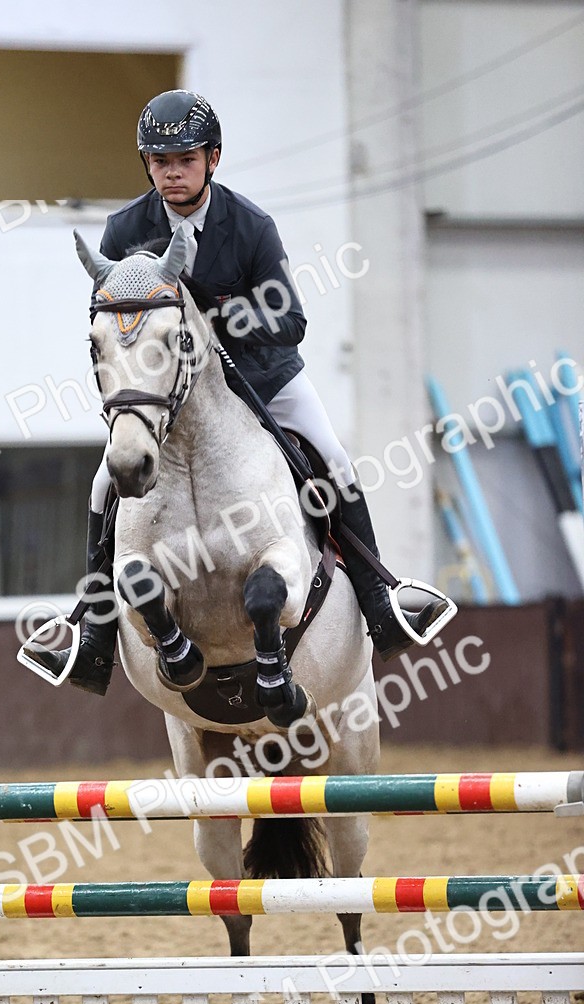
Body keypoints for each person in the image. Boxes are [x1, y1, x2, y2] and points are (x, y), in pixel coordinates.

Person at [46, 90, 450, 696]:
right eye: (158, 160)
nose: (171, 171)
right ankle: (96, 630)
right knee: (107, 480)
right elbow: (115, 317)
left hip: (262, 376)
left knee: (332, 457)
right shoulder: (125, 229)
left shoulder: (251, 225)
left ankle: (380, 599)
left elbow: (291, 321)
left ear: (211, 159)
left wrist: (220, 318)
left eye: (184, 158)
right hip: (167, 391)